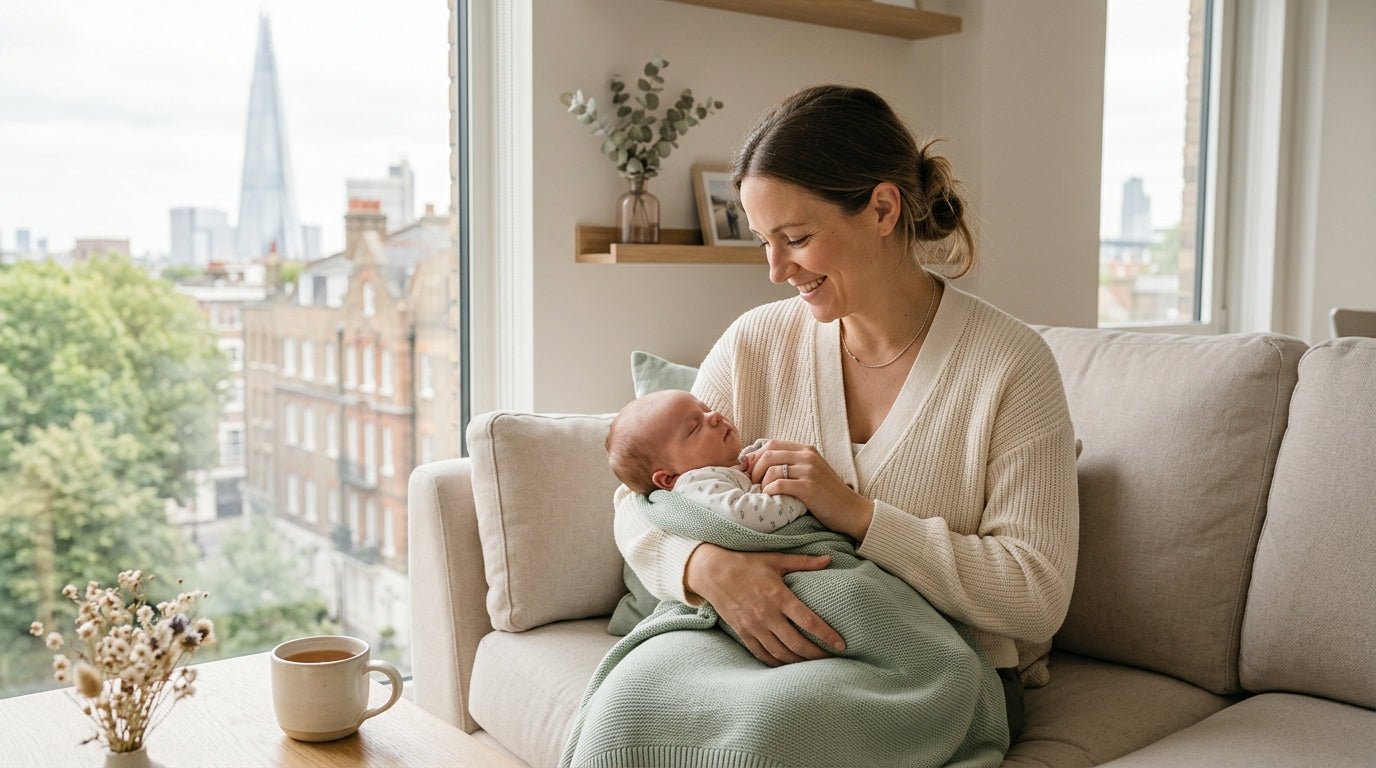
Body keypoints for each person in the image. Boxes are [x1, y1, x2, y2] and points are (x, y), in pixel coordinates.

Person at [612, 84, 1080, 746]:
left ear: (882, 208)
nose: (775, 270)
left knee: (774, 734)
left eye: (796, 237)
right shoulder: (756, 342)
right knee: (632, 696)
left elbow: (1037, 593)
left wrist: (858, 516)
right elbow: (637, 500)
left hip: (936, 669)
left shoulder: (1010, 366)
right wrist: (703, 569)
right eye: (762, 241)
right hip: (768, 651)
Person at [606, 388, 809, 533]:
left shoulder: (722, 467)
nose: (714, 416)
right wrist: (801, 495)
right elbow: (748, 515)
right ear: (669, 479)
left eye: (706, 409)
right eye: (694, 427)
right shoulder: (694, 485)